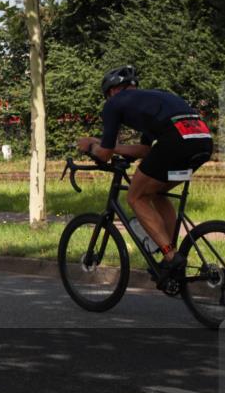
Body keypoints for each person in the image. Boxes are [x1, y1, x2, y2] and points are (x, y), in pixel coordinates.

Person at [77, 65, 213, 290]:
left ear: (111, 91)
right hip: (203, 140)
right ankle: (171, 255)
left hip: (175, 141)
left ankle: (170, 256)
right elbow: (144, 150)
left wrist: (90, 146)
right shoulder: (152, 100)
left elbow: (104, 153)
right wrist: (116, 149)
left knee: (135, 197)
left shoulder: (114, 104)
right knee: (156, 192)